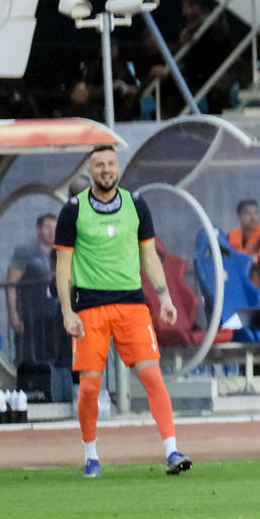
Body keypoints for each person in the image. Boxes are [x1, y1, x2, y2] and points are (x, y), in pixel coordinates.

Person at [53, 145, 190, 478]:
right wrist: (67, 311)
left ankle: (172, 451)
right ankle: (91, 456)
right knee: (89, 386)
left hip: (132, 305)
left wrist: (165, 298)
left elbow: (149, 256)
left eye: (111, 163)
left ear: (118, 167)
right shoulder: (73, 210)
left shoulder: (136, 203)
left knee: (151, 375)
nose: (106, 169)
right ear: (90, 169)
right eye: (99, 164)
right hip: (89, 309)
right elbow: (63, 266)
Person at [6, 212, 65, 367]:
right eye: (48, 227)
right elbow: (10, 284)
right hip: (31, 317)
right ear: (38, 229)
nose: (52, 231)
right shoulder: (24, 252)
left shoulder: (61, 252)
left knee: (57, 358)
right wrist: (13, 314)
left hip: (56, 317)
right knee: (30, 360)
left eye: (56, 227)